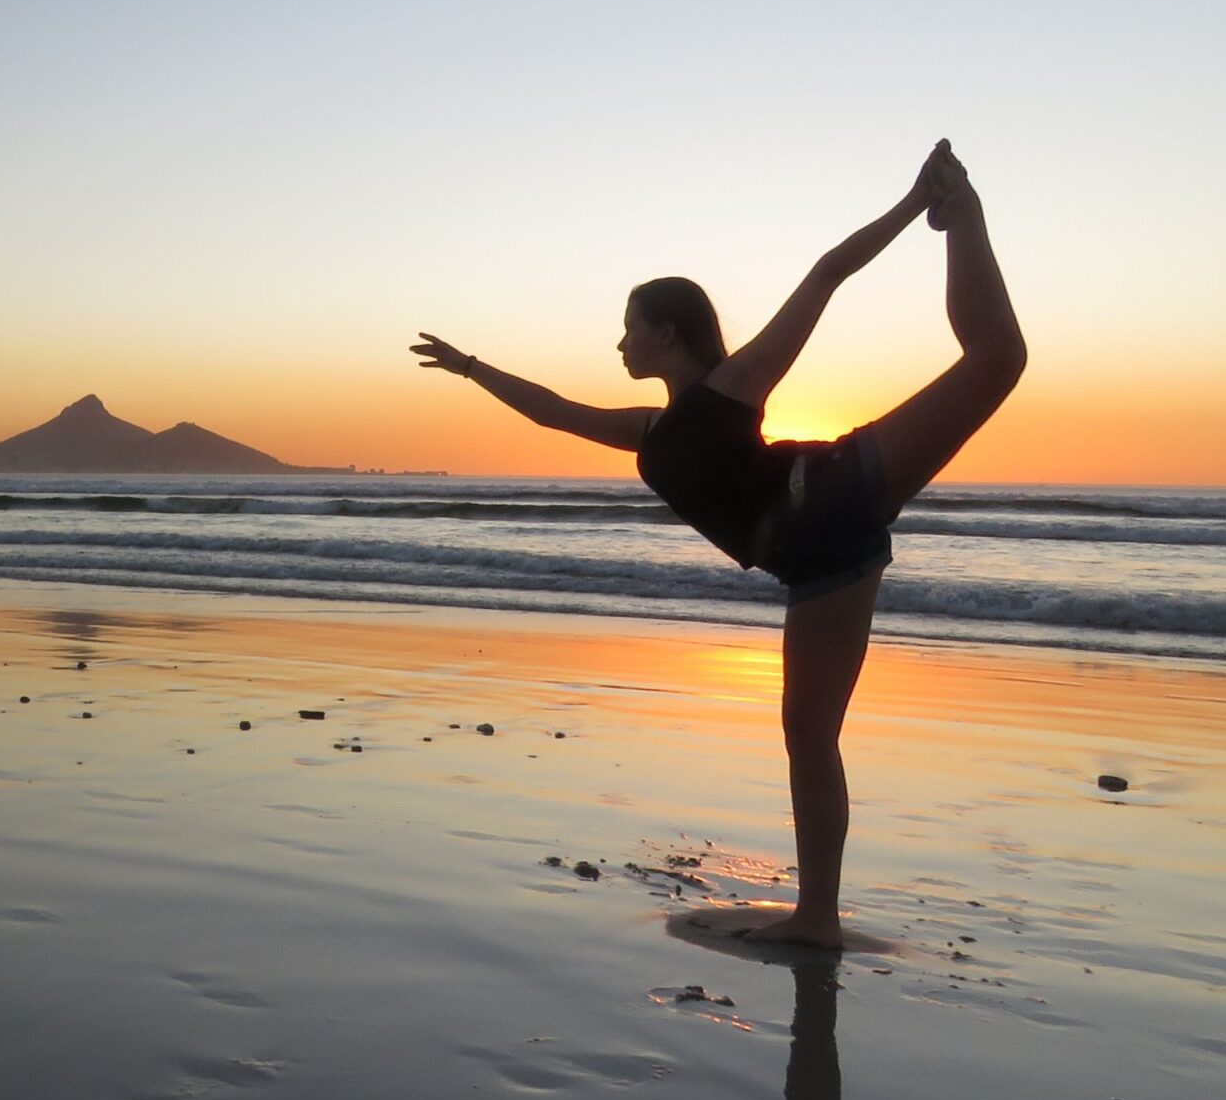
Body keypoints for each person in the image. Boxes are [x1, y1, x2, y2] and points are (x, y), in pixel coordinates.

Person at [410, 140, 1025, 948]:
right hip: (815, 560)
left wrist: (916, 207)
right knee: (808, 735)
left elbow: (825, 275)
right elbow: (550, 410)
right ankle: (819, 918)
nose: (620, 346)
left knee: (997, 359)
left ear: (666, 333)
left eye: (628, 331)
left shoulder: (732, 385)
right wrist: (470, 367)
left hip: (834, 491)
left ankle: (959, 210)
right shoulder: (649, 430)